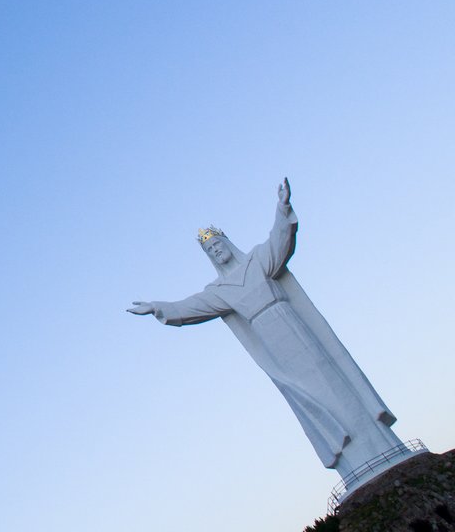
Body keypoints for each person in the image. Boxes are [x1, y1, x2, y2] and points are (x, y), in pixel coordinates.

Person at [128, 179, 407, 483]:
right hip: (275, 347)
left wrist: (282, 207)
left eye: (218, 244)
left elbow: (280, 240)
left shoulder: (257, 261)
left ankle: (380, 446)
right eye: (211, 250)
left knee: (334, 383)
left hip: (294, 327)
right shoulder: (219, 291)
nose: (217, 250)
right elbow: (190, 307)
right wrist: (156, 307)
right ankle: (352, 463)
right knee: (311, 397)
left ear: (227, 243)